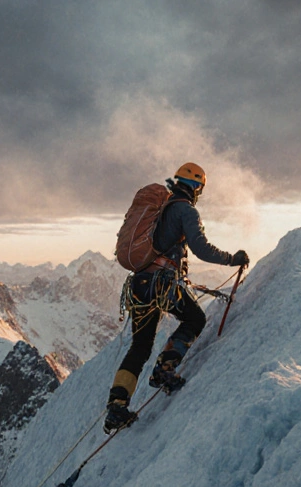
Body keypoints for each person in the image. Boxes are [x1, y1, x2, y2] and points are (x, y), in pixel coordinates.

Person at [106, 162, 249, 433]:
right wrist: (233, 259)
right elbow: (201, 248)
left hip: (140, 285)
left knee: (140, 346)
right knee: (194, 319)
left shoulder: (163, 209)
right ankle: (165, 368)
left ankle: (117, 405)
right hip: (162, 284)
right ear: (196, 187)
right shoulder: (185, 210)